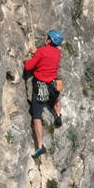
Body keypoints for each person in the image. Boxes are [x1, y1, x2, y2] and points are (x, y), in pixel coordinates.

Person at [23, 30, 64, 159]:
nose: (45, 36)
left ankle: (40, 146)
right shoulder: (58, 52)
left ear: (49, 40)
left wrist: (28, 58)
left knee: (36, 116)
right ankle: (58, 115)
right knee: (56, 96)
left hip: (42, 85)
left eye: (47, 36)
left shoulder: (42, 51)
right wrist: (37, 53)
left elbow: (29, 67)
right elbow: (47, 57)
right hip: (54, 83)